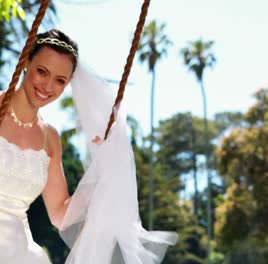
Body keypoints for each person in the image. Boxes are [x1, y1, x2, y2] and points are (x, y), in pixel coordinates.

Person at [0, 29, 177, 264]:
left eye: (60, 80)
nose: (47, 86)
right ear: (26, 61)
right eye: (42, 71)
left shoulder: (49, 138)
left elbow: (60, 215)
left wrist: (102, 168)